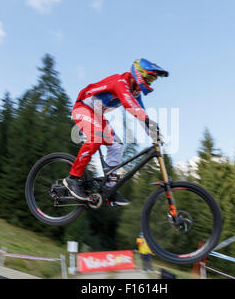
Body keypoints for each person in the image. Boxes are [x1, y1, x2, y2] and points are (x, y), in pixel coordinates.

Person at [63, 59, 169, 206]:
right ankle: (72, 178)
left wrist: (154, 134)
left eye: (152, 80)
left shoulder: (135, 91)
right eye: (149, 78)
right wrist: (148, 122)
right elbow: (130, 105)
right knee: (97, 137)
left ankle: (110, 188)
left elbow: (141, 113)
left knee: (116, 144)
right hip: (82, 107)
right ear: (139, 73)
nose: (150, 82)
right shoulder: (120, 82)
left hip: (97, 114)